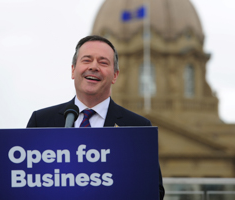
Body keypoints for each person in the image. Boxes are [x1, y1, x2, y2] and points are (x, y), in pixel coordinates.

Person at [27, 35, 164, 199]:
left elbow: (155, 191)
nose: (93, 67)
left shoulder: (138, 127)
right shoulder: (41, 121)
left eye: (103, 62)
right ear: (73, 70)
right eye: (86, 60)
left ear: (115, 75)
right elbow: (28, 183)